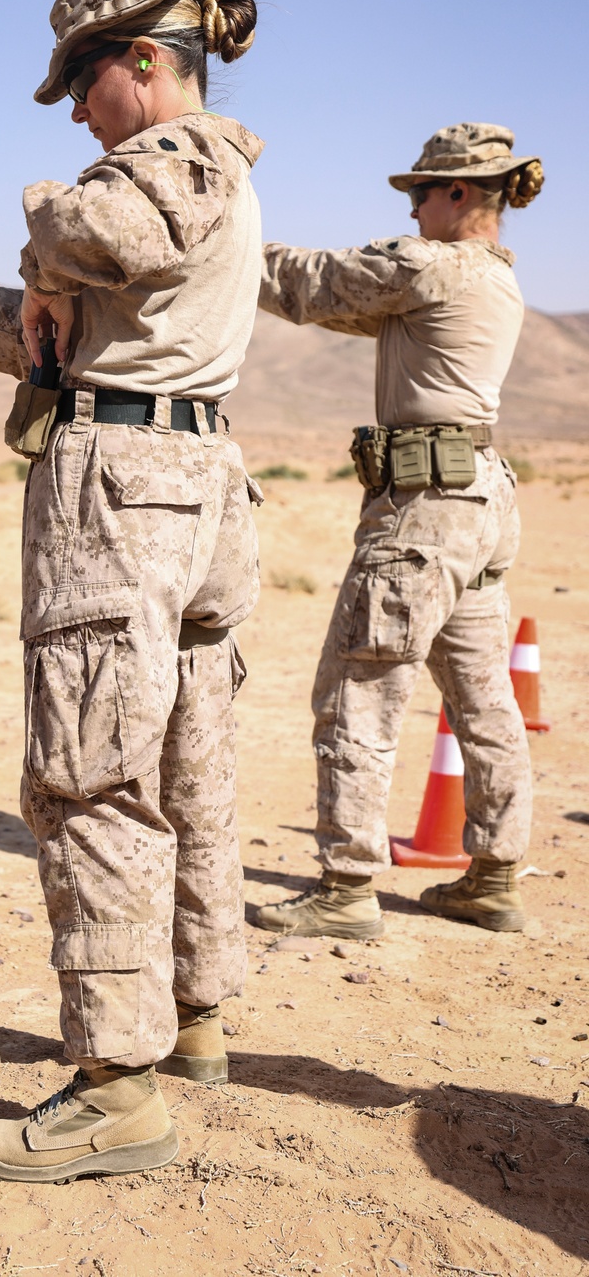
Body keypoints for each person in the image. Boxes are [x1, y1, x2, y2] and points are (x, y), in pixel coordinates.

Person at [0, 0, 264, 1182]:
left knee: (91, 773)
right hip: (182, 482)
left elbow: (91, 228)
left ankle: (115, 1086)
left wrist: (45, 237)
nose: (81, 117)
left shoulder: (174, 159)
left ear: (142, 64)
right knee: (182, 761)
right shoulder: (175, 190)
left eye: (86, 87)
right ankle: (191, 1015)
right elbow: (60, 338)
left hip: (126, 498)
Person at [252, 123, 544, 943]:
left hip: (423, 512)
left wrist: (230, 238)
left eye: (421, 192)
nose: (411, 209)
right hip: (477, 505)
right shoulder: (487, 278)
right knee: (485, 699)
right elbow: (338, 307)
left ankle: (346, 886)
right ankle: (493, 876)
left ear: (460, 194)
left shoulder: (432, 266)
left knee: (358, 690)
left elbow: (317, 282)